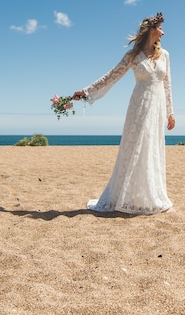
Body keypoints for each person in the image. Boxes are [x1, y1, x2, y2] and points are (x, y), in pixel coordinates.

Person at [72, 12, 175, 214]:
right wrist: (85, 92)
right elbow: (111, 76)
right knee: (136, 147)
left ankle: (150, 195)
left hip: (157, 107)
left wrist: (170, 113)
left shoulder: (165, 55)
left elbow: (167, 84)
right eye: (161, 28)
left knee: (151, 147)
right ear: (151, 30)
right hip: (139, 105)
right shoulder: (132, 57)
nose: (163, 32)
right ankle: (126, 197)